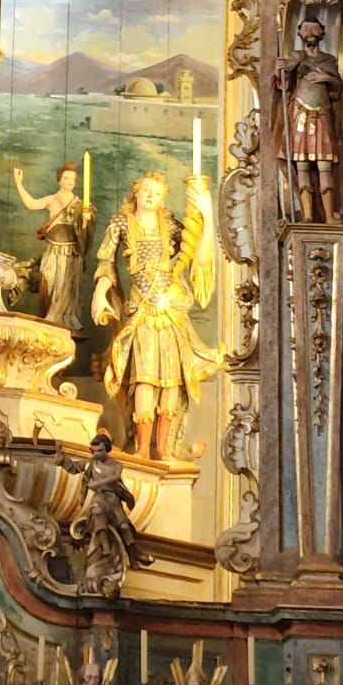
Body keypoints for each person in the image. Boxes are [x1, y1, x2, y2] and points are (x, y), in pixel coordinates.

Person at [92, 171, 222, 460]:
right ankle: (141, 447)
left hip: (170, 309)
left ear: (164, 199)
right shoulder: (121, 223)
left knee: (171, 380)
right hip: (142, 310)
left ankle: (163, 448)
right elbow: (105, 263)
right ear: (135, 193)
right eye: (146, 190)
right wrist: (100, 294)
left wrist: (206, 211)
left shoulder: (170, 226)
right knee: (145, 378)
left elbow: (197, 250)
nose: (151, 196)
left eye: (158, 192)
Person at [56, 433, 152, 593]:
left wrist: (98, 482)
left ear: (106, 449)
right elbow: (74, 468)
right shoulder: (91, 463)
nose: (96, 454)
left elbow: (114, 478)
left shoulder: (116, 465)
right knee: (96, 511)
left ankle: (133, 555)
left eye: (99, 450)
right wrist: (63, 460)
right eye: (93, 451)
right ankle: (105, 547)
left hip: (113, 499)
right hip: (100, 497)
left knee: (124, 527)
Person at [274, 17, 342, 222]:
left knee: (324, 163)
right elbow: (283, 84)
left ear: (322, 32)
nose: (310, 32)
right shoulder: (295, 58)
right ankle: (308, 216)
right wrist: (279, 69)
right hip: (300, 112)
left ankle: (329, 216)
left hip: (322, 113)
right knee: (301, 163)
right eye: (305, 29)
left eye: (314, 28)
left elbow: (338, 88)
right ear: (300, 33)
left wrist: (326, 78)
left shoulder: (329, 60)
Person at [13, 162, 94, 329]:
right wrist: (19, 183)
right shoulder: (52, 199)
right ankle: (50, 316)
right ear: (59, 180)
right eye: (66, 178)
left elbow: (84, 230)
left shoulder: (80, 205)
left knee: (68, 285)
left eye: (73, 179)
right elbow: (31, 204)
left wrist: (87, 219)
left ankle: (67, 318)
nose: (69, 181)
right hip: (54, 250)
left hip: (71, 252)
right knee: (48, 281)